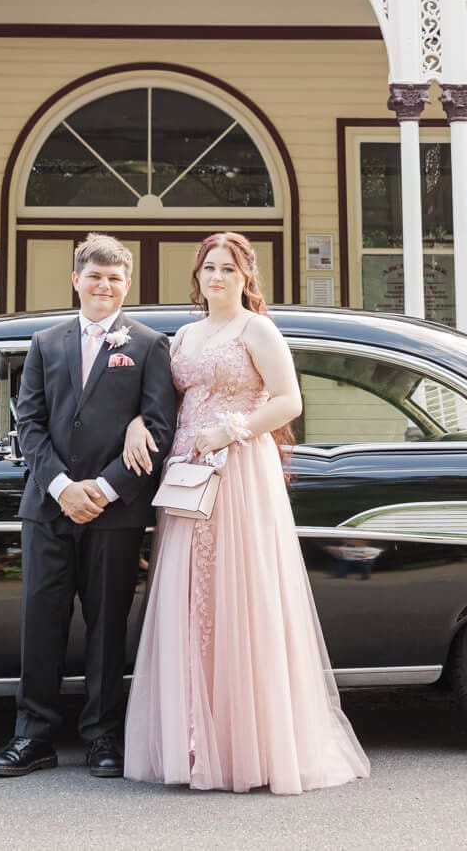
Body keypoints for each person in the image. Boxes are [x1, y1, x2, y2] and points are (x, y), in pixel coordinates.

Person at [119, 231, 370, 794]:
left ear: (245, 277)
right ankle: (191, 737)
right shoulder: (183, 336)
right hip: (187, 472)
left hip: (238, 470)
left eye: (228, 269)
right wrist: (140, 423)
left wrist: (229, 431)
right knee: (190, 597)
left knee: (239, 596)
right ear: (198, 276)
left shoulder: (258, 330)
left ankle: (246, 745)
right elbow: (160, 400)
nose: (217, 277)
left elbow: (287, 399)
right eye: (209, 268)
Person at [0, 234, 177, 780]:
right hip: (49, 509)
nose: (104, 286)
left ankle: (102, 736)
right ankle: (33, 735)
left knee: (107, 624)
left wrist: (105, 490)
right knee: (41, 621)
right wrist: (64, 488)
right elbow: (30, 425)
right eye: (95, 276)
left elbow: (158, 427)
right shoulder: (45, 343)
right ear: (76, 280)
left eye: (115, 278)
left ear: (127, 284)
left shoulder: (147, 346)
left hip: (115, 512)